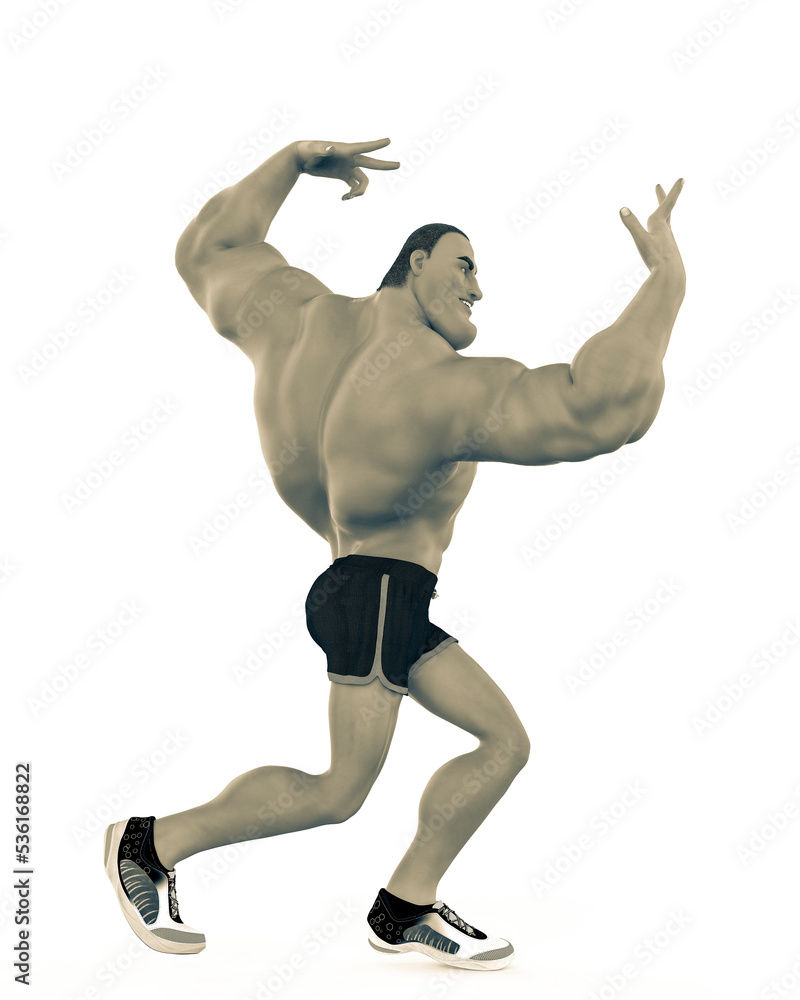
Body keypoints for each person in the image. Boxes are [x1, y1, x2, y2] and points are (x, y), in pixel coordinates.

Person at [104, 137, 686, 970]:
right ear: (416, 262)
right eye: (464, 265)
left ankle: (406, 903)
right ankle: (151, 844)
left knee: (503, 743)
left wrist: (291, 163)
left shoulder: (296, 319)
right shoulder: (439, 387)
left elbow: (209, 250)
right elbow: (602, 406)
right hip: (376, 592)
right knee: (339, 790)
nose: (478, 288)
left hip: (374, 594)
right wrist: (666, 281)